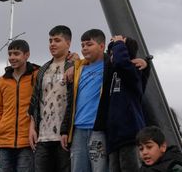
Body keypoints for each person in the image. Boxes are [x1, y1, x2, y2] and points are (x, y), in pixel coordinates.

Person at [61, 29, 109, 172]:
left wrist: (144, 61)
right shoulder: (78, 69)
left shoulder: (110, 66)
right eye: (82, 45)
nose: (84, 48)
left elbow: (127, 63)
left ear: (102, 46)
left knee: (100, 169)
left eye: (89, 44)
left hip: (98, 129)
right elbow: (70, 102)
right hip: (78, 130)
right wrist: (65, 130)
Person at [0, 39, 39, 172]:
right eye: (10, 54)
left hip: (27, 140)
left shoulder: (37, 75)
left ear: (27, 55)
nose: (12, 57)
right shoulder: (2, 81)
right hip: (5, 140)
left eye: (16, 53)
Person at [29, 26, 73, 172]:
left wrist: (77, 63)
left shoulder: (74, 66)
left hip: (65, 135)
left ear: (68, 43)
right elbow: (35, 100)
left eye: (57, 40)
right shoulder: (43, 69)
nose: (52, 44)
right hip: (42, 136)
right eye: (50, 41)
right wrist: (32, 128)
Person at [102, 36, 146, 172]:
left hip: (130, 135)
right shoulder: (112, 72)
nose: (112, 56)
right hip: (114, 137)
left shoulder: (133, 71)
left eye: (116, 51)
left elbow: (122, 62)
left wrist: (119, 42)